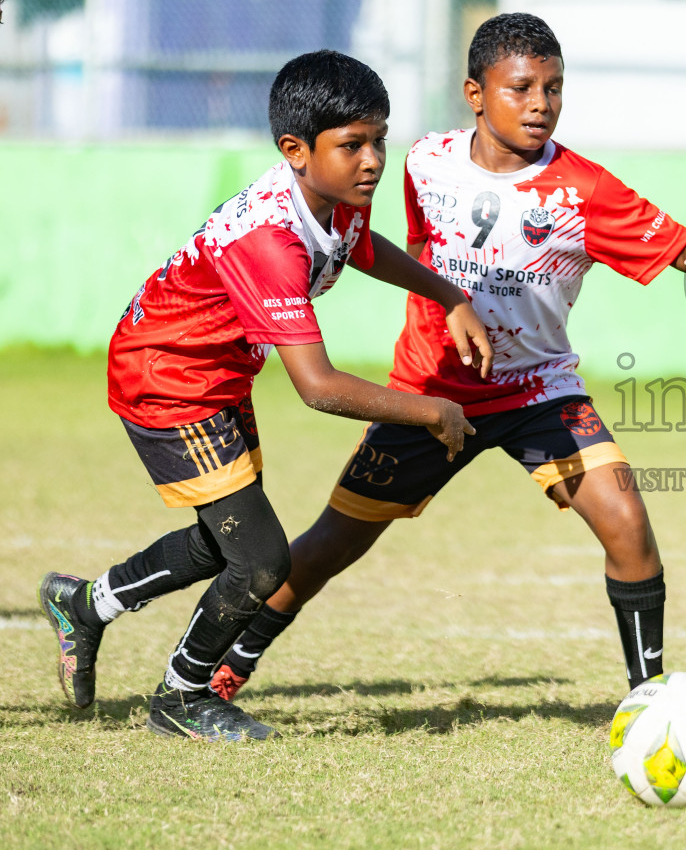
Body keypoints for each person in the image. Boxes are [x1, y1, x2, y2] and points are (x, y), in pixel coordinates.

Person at [209, 13, 686, 700]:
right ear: (475, 93)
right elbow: (404, 250)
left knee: (626, 522)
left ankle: (648, 698)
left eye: (553, 89)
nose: (540, 104)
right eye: (520, 88)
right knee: (332, 543)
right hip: (432, 390)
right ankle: (231, 666)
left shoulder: (584, 191)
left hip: (537, 391)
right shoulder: (424, 162)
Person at [38, 50, 492, 741]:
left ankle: (85, 605)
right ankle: (181, 698)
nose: (373, 160)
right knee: (260, 560)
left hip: (219, 375)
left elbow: (360, 247)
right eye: (353, 145)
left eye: (379, 140)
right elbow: (318, 386)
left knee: (225, 543)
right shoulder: (270, 241)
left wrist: (447, 293)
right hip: (169, 378)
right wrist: (432, 409)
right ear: (295, 151)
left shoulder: (335, 196)